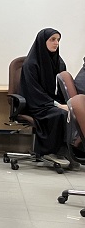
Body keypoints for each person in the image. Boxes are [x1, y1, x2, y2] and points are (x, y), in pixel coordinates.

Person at [19, 28, 69, 165]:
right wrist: (58, 105)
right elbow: (34, 93)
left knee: (73, 112)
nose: (56, 43)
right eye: (52, 39)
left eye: (58, 40)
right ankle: (50, 152)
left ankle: (71, 152)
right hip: (35, 104)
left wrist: (68, 104)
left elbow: (62, 88)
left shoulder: (59, 63)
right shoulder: (31, 64)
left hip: (51, 103)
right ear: (42, 41)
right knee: (60, 114)